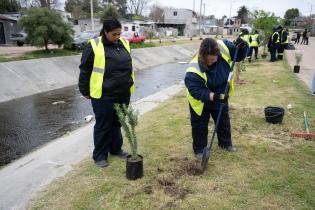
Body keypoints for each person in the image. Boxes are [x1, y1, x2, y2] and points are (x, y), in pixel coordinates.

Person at [78, 17, 135, 168]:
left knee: (118, 123)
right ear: (105, 32)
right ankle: (100, 156)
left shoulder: (123, 43)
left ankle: (115, 149)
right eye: (114, 34)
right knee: (103, 125)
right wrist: (84, 90)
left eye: (119, 33)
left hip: (123, 92)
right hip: (104, 95)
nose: (117, 37)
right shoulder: (94, 45)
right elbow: (85, 70)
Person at [184, 37, 249, 160]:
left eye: (213, 60)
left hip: (220, 91)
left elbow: (239, 55)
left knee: (223, 120)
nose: (211, 63)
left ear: (217, 53)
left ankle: (225, 144)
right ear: (202, 56)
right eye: (208, 61)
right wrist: (215, 96)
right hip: (201, 100)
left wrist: (244, 46)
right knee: (199, 125)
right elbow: (196, 91)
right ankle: (200, 150)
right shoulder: (193, 69)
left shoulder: (223, 47)